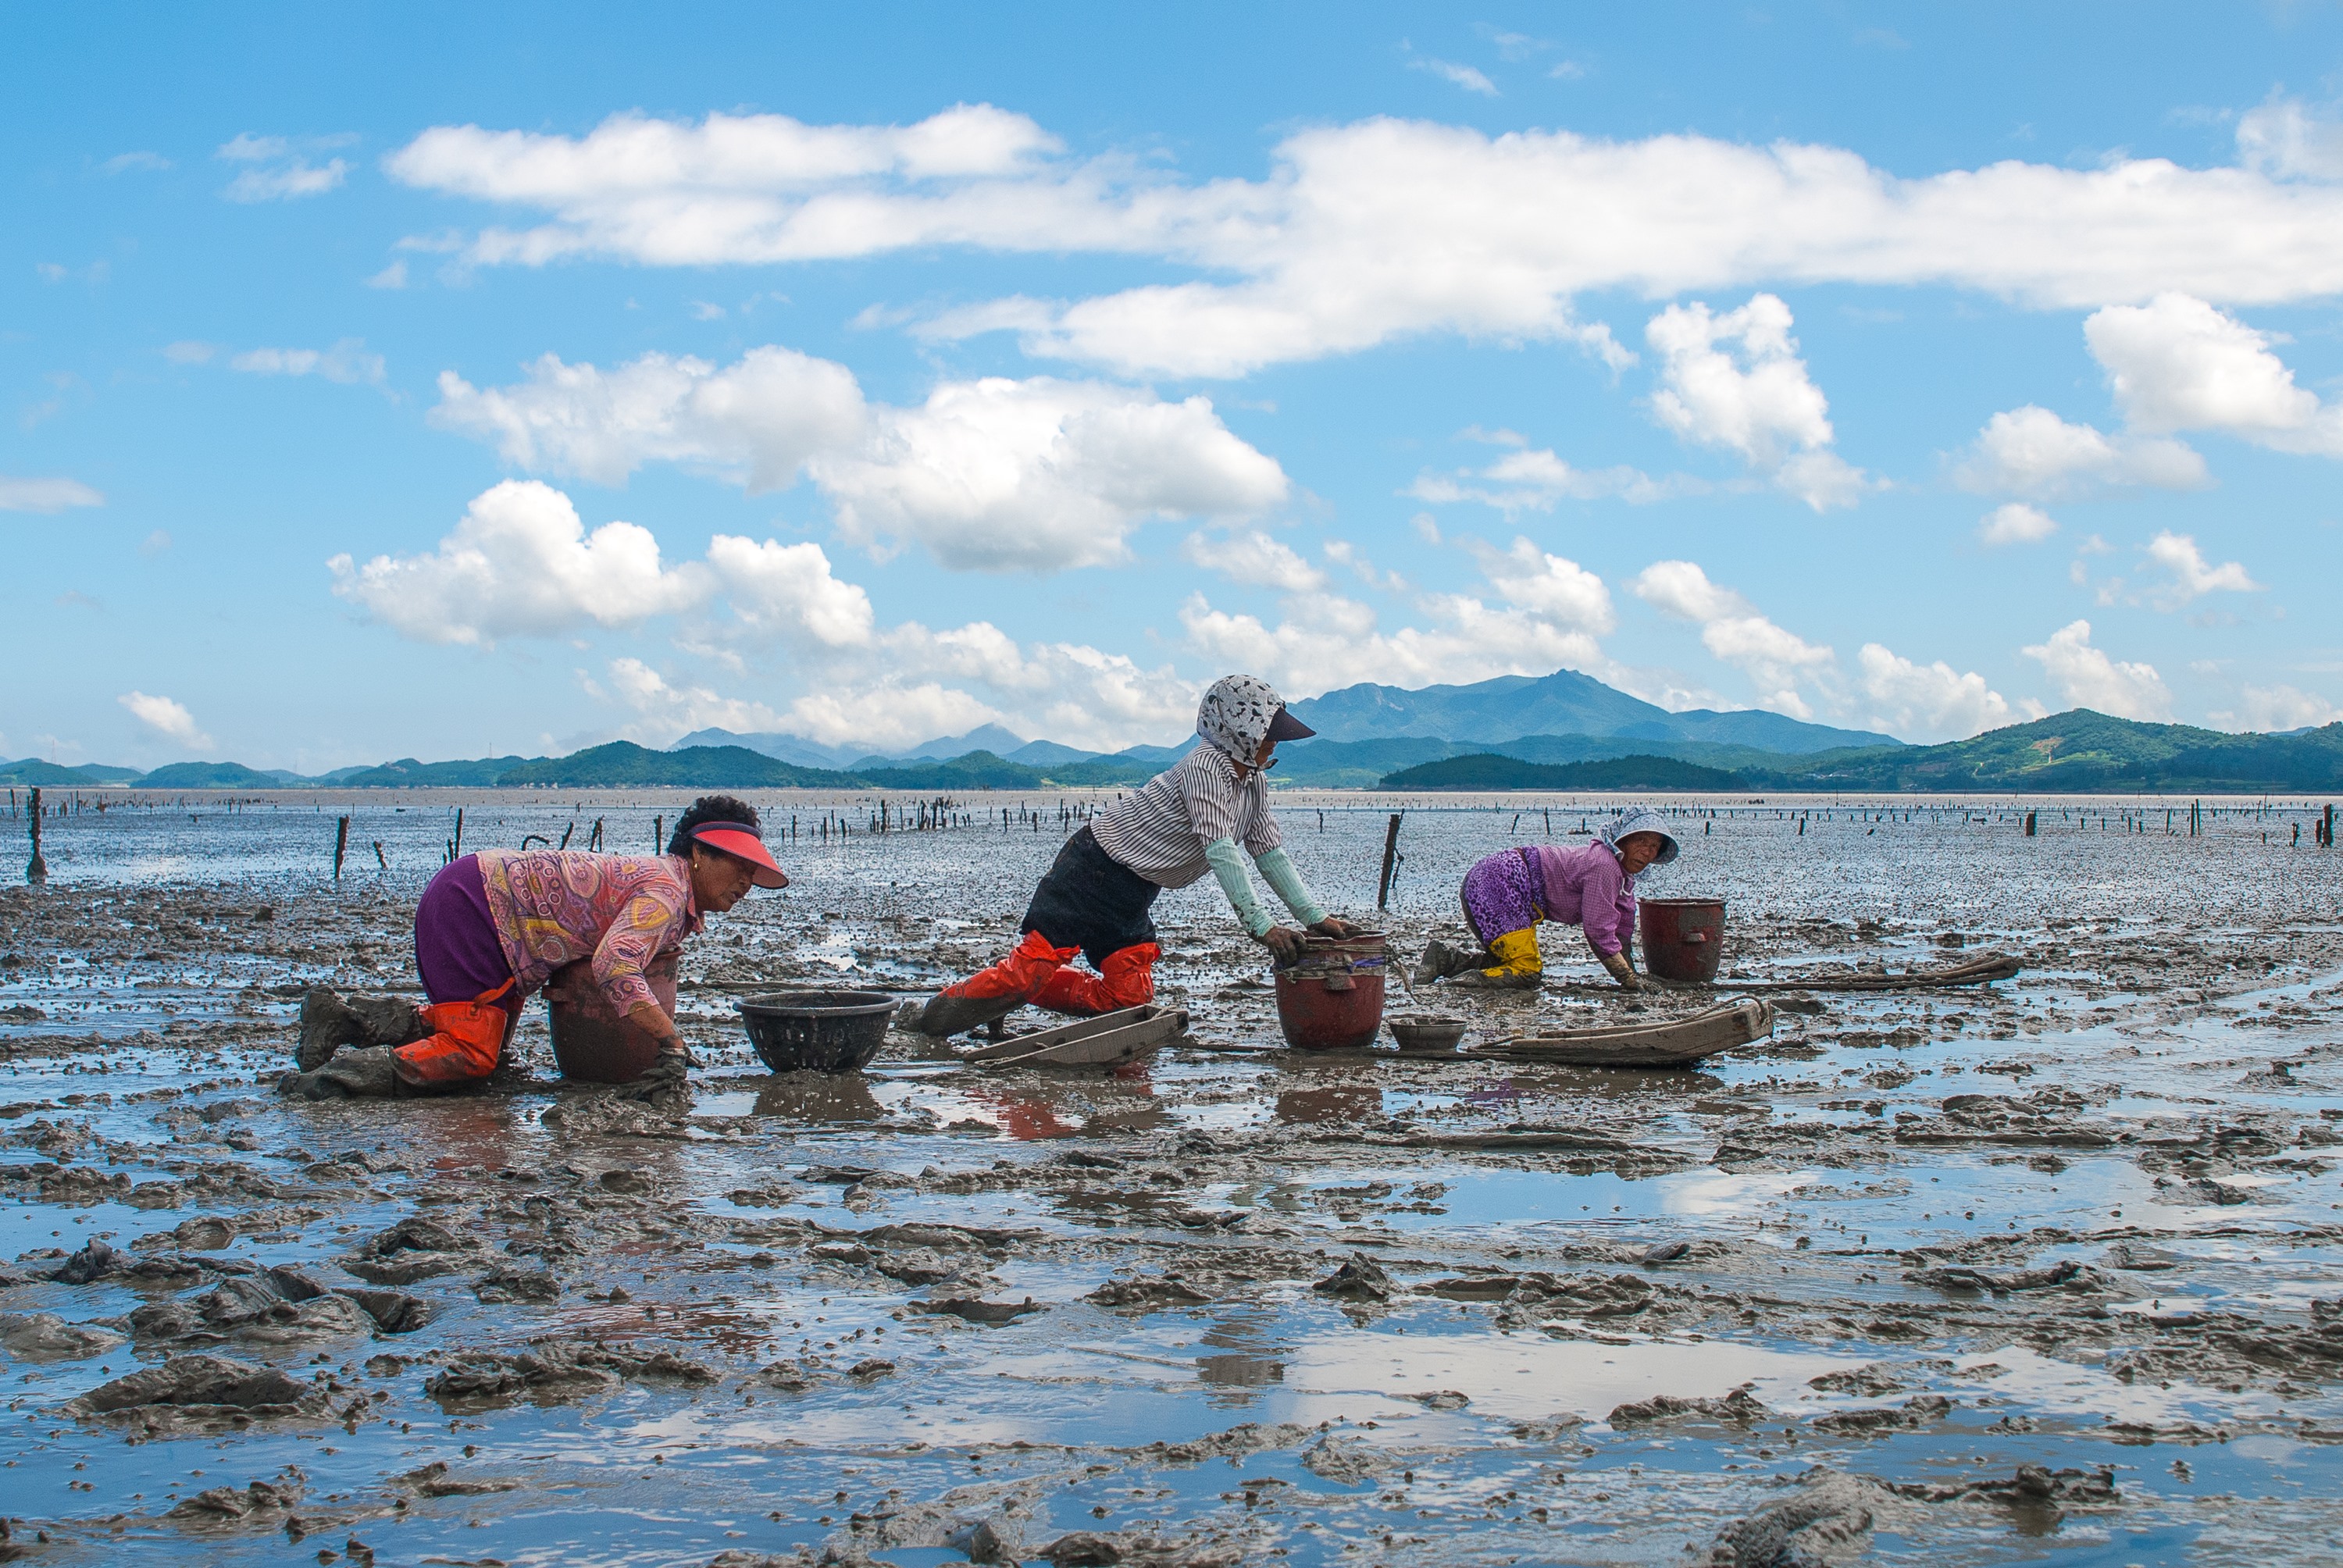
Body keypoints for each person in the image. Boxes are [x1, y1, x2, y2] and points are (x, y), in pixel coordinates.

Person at [916, 675, 1357, 1037]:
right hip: (1092, 871)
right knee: (1025, 970)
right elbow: (1221, 851)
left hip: (1134, 890)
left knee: (1129, 997)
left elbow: (1270, 853)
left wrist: (1316, 918)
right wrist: (1261, 926)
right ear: (1238, 731)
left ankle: (1019, 994)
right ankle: (927, 1022)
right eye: (1268, 735)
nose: (1274, 745)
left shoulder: (1253, 783)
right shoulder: (1204, 768)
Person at [284, 795, 786, 1099]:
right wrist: (670, 1040)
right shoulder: (665, 891)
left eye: (751, 872)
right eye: (737, 866)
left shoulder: (669, 885)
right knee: (472, 1054)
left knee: (485, 1039)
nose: (745, 882)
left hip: (480, 899)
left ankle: (343, 1020)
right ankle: (327, 1082)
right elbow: (615, 965)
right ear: (697, 853)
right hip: (475, 907)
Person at [1414, 807, 1680, 990]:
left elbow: (1620, 931)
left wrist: (1633, 978)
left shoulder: (1623, 880)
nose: (1647, 852)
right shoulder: (1605, 866)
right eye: (1641, 841)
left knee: (1507, 965)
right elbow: (1599, 932)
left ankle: (1446, 959)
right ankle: (1456, 987)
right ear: (1622, 841)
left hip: (1500, 883)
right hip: (1500, 882)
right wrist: (1627, 978)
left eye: (1654, 846)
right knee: (1527, 972)